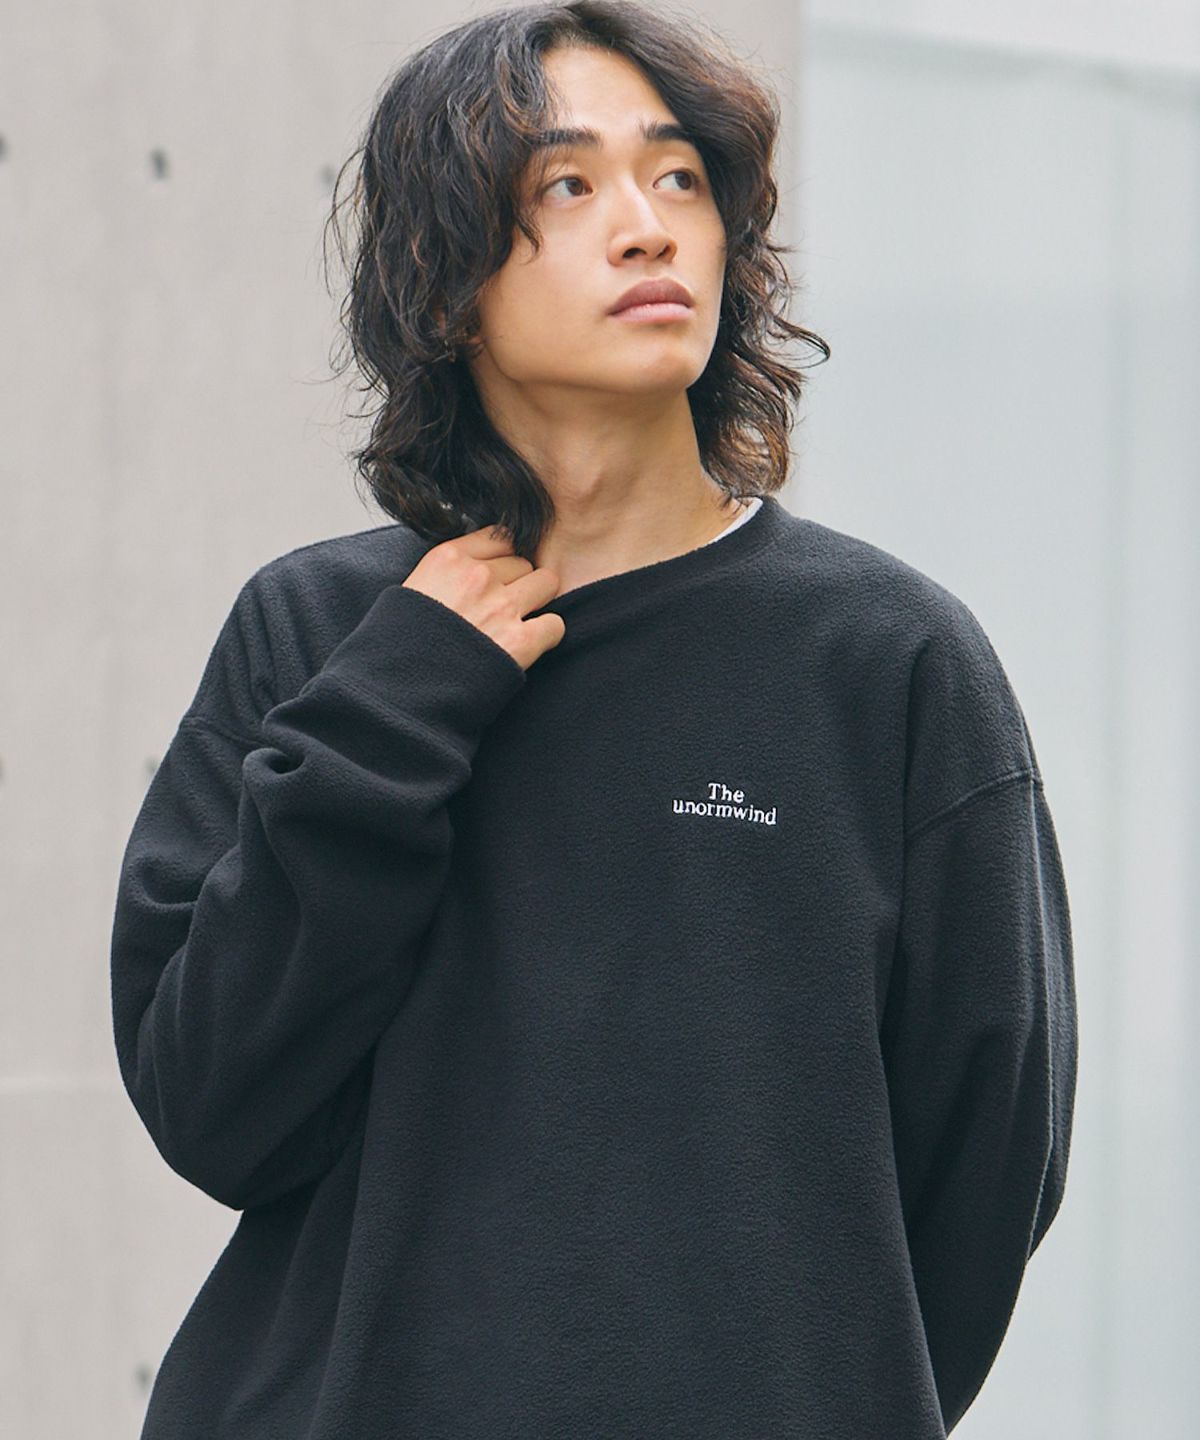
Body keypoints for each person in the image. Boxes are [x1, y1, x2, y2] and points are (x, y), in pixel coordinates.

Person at [109, 3, 1078, 1436]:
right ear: (447, 282)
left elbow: (987, 1159)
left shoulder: (888, 660)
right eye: (568, 184)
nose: (647, 227)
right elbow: (212, 1104)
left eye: (680, 177)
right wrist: (395, 706)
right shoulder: (319, 632)